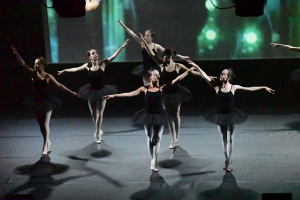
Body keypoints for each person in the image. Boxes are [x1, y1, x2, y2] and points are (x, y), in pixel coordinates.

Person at [187, 60, 275, 172]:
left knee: (231, 139)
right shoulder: (217, 87)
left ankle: (228, 162)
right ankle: (227, 159)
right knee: (224, 139)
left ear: (228, 77)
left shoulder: (233, 87)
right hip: (219, 115)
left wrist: (263, 87)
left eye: (224, 74)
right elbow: (204, 77)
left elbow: (250, 89)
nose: (221, 75)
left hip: (232, 115)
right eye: (221, 73)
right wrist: (196, 66)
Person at [104, 67, 195, 171]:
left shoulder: (162, 87)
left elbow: (177, 80)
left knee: (157, 138)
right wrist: (114, 96)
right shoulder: (144, 89)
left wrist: (188, 71)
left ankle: (155, 161)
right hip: (147, 115)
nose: (158, 76)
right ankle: (152, 158)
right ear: (150, 77)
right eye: (155, 75)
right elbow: (129, 94)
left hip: (159, 115)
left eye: (158, 75)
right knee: (149, 138)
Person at [141, 38, 216, 149]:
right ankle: (173, 139)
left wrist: (206, 76)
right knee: (169, 115)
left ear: (170, 56)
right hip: (165, 93)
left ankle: (177, 138)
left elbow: (193, 73)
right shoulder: (161, 66)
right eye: (163, 56)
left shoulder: (178, 66)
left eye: (165, 56)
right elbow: (152, 55)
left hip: (176, 93)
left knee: (176, 115)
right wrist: (145, 43)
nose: (163, 58)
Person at [57, 39, 130, 144]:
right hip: (90, 91)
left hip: (102, 91)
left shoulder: (102, 64)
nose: (95, 55)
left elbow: (113, 56)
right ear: (89, 57)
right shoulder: (87, 66)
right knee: (93, 114)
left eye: (96, 53)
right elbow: (75, 69)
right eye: (93, 53)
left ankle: (97, 133)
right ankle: (98, 129)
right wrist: (65, 70)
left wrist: (122, 46)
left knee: (100, 113)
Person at [10, 45, 79, 155]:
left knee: (45, 124)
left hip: (47, 102)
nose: (35, 65)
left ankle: (45, 145)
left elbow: (59, 85)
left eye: (37, 63)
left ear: (42, 65)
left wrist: (71, 92)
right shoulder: (32, 73)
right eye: (35, 63)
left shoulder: (48, 76)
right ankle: (48, 141)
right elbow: (23, 64)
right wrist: (16, 53)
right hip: (36, 102)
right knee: (41, 125)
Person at [117, 18, 189, 86]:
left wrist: (181, 56)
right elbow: (132, 33)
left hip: (155, 69)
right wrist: (122, 24)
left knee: (155, 86)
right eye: (145, 35)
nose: (145, 37)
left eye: (147, 36)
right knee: (147, 87)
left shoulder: (156, 46)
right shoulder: (142, 43)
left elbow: (169, 52)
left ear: (152, 38)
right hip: (145, 69)